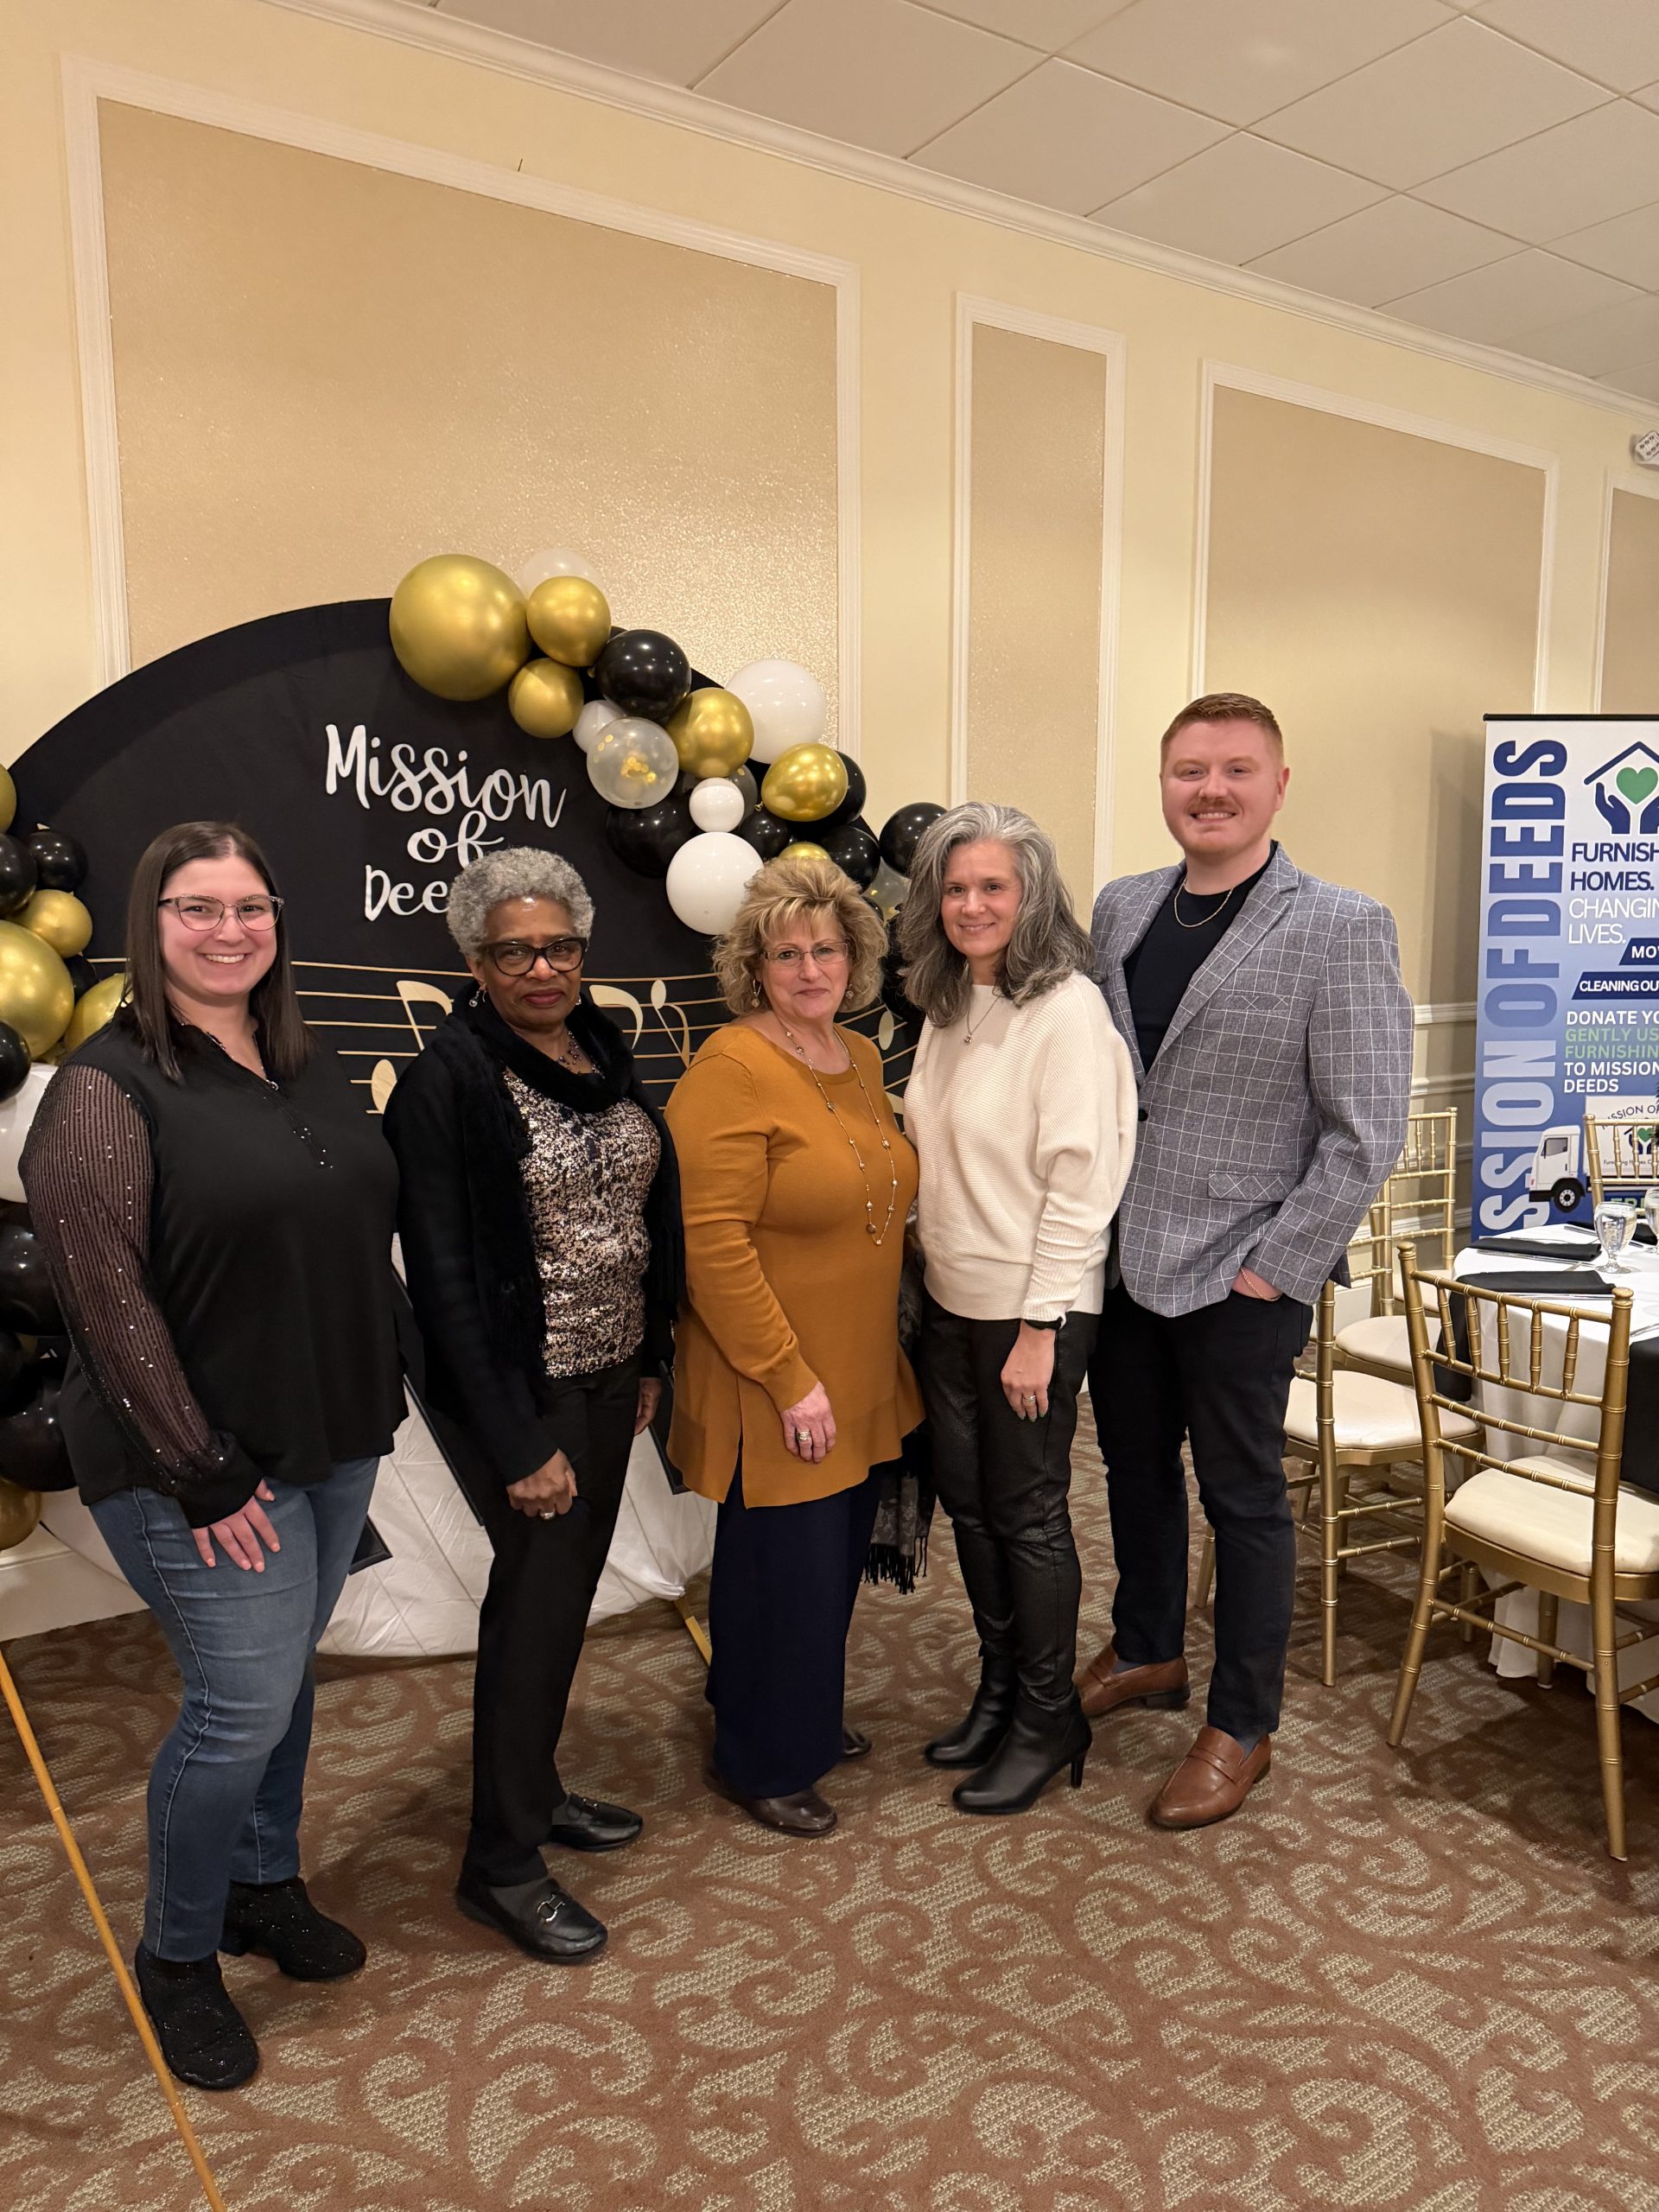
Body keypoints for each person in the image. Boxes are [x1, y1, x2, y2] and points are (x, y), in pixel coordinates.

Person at [19, 821, 404, 2093]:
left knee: (288, 1681)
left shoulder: (307, 1060)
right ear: (152, 921)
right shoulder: (106, 1086)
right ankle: (178, 1957)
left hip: (335, 1431)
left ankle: (261, 1886)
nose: (227, 928)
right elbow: (103, 1296)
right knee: (236, 1707)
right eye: (196, 907)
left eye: (249, 905)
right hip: (198, 1460)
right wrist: (206, 1472)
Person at [1080, 693, 1412, 1827]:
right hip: (1125, 1258)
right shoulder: (1123, 907)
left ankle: (1242, 1723)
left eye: (1233, 770)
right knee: (1131, 1470)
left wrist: (1277, 1268)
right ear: (1164, 782)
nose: (1208, 790)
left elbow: (1366, 1128)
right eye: (1187, 770)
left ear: (1278, 784)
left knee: (1245, 1500)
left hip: (1245, 1271)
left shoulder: (1341, 924)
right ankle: (1147, 1648)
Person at [384, 849, 680, 1963]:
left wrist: (648, 1356)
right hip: (528, 1393)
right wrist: (514, 1438)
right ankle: (498, 1865)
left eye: (560, 945)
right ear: (474, 961)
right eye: (516, 951)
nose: (543, 966)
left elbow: (640, 1213)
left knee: (561, 1605)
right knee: (533, 1614)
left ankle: (537, 1789)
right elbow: (447, 1283)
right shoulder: (448, 1081)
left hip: (610, 1379)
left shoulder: (600, 1044)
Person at [665, 854, 921, 1838]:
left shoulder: (855, 1057)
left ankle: (794, 1709)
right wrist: (787, 1377)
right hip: (776, 1375)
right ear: (754, 966)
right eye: (787, 954)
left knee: (825, 1564)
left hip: (857, 1366)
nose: (810, 969)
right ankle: (762, 1758)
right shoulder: (729, 1069)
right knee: (785, 1572)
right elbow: (710, 1244)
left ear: (855, 957)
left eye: (828, 949)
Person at [898, 804, 1137, 1815]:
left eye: (994, 885)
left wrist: (1041, 1327)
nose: (972, 904)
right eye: (955, 887)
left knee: (1031, 1513)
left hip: (1031, 1312)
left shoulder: (1067, 1009)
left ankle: (1047, 1716)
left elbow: (1084, 1181)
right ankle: (1000, 1691)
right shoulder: (949, 1004)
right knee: (970, 1504)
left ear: (1031, 895)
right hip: (950, 1302)